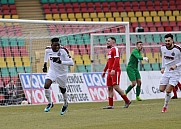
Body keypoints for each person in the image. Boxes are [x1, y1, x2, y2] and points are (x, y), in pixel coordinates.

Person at [42, 37, 74, 115]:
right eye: (55, 45)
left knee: (62, 89)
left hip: (62, 73)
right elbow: (46, 55)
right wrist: (45, 64)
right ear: (51, 45)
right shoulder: (48, 50)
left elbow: (71, 63)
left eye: (58, 45)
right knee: (46, 85)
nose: (57, 47)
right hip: (52, 71)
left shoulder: (63, 51)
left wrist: (61, 62)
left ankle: (65, 103)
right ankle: (50, 103)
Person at [102, 37, 131, 109]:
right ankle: (110, 105)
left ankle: (127, 100)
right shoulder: (110, 51)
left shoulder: (115, 49)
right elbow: (108, 62)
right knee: (109, 87)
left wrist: (114, 69)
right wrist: (104, 71)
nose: (107, 42)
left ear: (113, 42)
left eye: (109, 41)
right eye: (107, 41)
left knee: (116, 87)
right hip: (109, 71)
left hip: (115, 71)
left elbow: (117, 59)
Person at [159, 33, 181, 113]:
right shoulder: (163, 48)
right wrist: (163, 67)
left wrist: (176, 65)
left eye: (168, 41)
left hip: (176, 72)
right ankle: (174, 89)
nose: (167, 42)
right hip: (167, 71)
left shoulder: (178, 49)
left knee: (168, 91)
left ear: (172, 40)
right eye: (166, 41)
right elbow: (163, 59)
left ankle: (165, 107)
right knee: (161, 89)